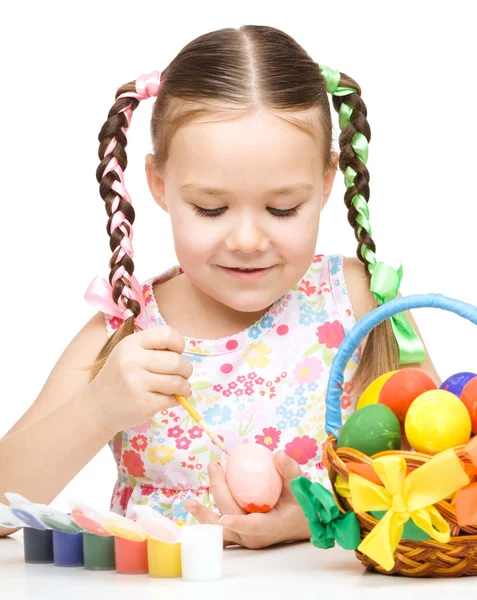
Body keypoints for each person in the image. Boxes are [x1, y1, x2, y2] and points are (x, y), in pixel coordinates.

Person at [0, 25, 440, 548]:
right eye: (211, 208)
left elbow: (444, 477)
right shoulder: (125, 330)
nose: (248, 239)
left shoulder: (362, 304)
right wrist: (98, 409)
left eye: (282, 208)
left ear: (326, 184)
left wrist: (313, 518)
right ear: (160, 187)